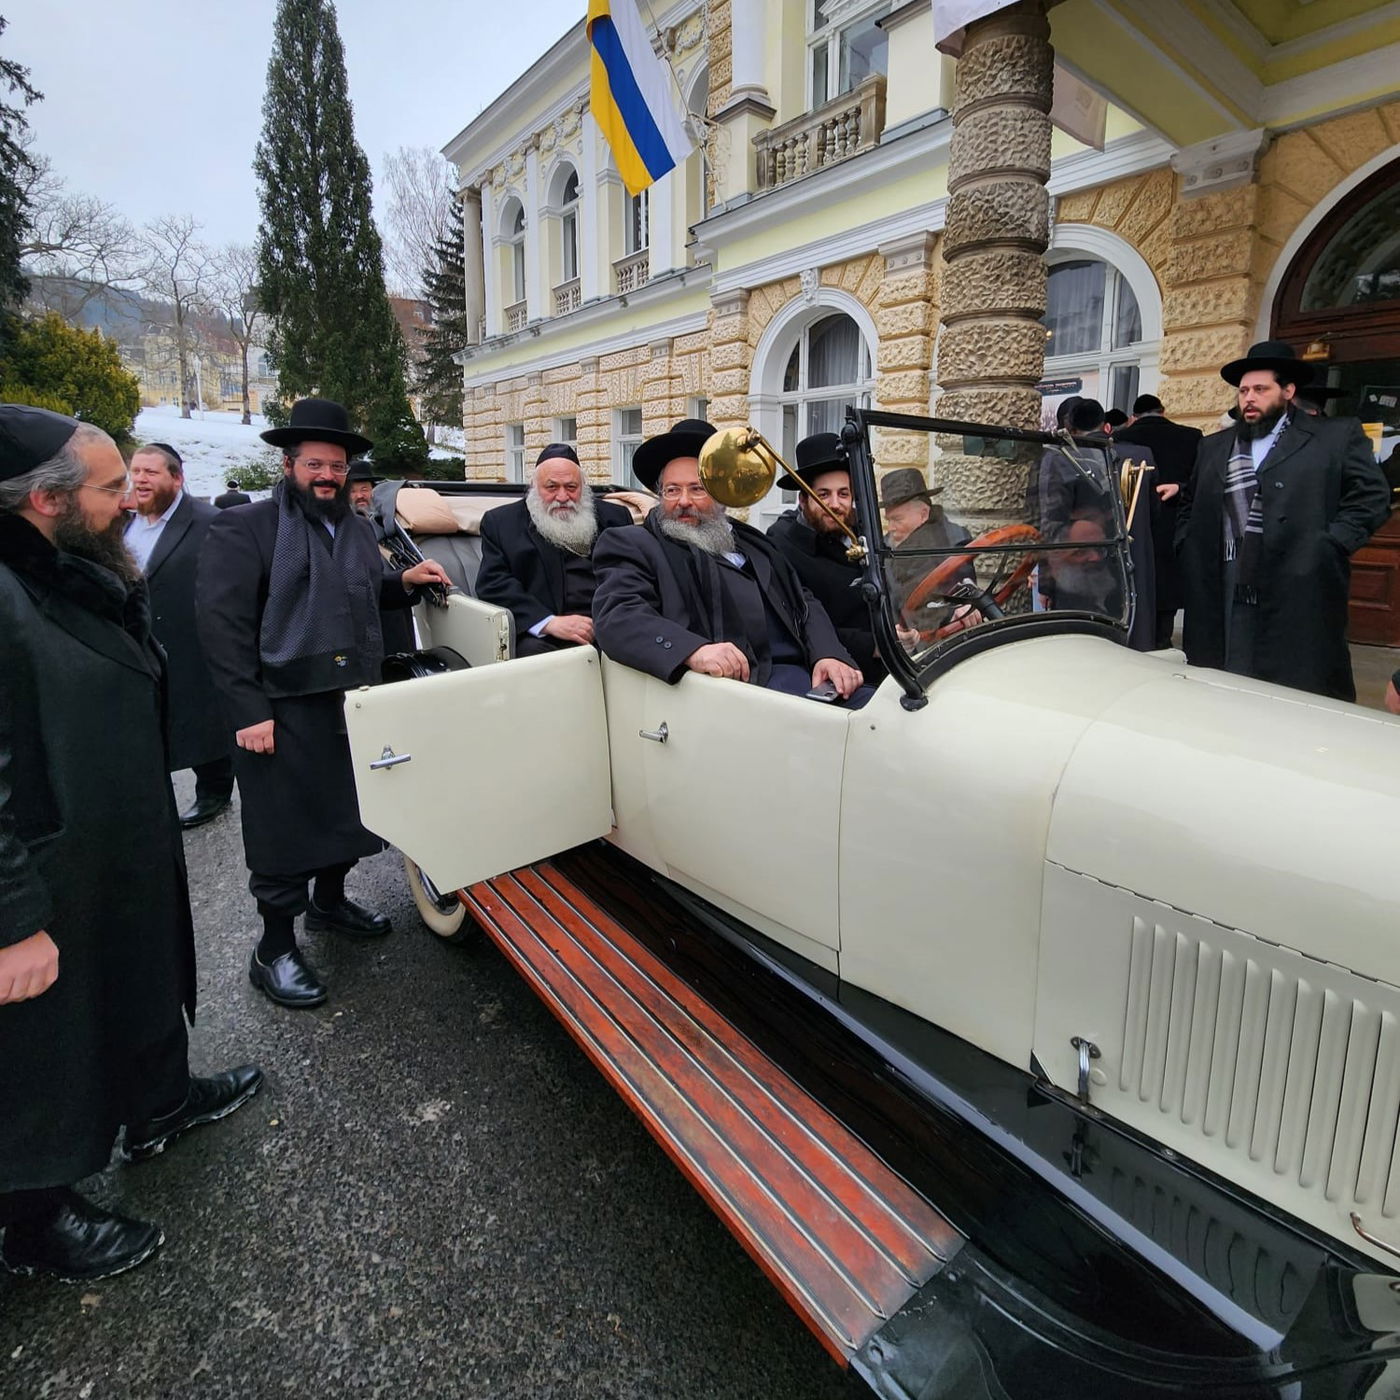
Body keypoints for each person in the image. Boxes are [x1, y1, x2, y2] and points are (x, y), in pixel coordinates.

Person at [0, 406, 261, 1283]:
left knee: (145, 974)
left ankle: (160, 1102)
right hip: (51, 869)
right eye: (112, 488)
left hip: (125, 840)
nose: (129, 503)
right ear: (46, 499)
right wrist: (11, 921)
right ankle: (37, 1218)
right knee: (47, 1049)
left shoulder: (74, 566)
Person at [196, 398, 451, 1009]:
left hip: (353, 700)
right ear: (289, 465)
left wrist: (403, 584)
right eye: (315, 464)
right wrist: (247, 711)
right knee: (285, 828)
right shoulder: (247, 528)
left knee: (350, 811)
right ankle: (274, 948)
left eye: (337, 466)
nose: (328, 476)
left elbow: (355, 596)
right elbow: (221, 626)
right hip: (282, 706)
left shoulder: (358, 529)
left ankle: (329, 903)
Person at [1175, 340, 1390, 700]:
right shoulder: (1214, 445)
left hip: (1298, 578)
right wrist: (1186, 543)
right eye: (1244, 391)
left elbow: (1372, 497)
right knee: (1223, 673)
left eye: (1260, 389)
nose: (1249, 398)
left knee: (1293, 682)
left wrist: (1330, 544)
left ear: (1288, 391)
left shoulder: (1333, 437)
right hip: (1220, 579)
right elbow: (1189, 501)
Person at [592, 418, 864, 702]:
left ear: (721, 493)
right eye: (672, 490)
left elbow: (803, 600)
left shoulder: (755, 542)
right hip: (731, 694)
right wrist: (692, 650)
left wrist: (828, 653)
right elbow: (618, 615)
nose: (683, 500)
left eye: (697, 489)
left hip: (806, 679)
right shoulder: (633, 543)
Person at [124, 442, 236, 828]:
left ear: (176, 478)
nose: (140, 480)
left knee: (200, 717)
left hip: (191, 637)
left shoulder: (209, 522)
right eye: (135, 471)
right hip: (133, 638)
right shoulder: (121, 520)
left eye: (150, 472)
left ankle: (215, 789)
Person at [475, 444, 632, 656]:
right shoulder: (502, 523)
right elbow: (493, 583)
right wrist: (548, 623)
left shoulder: (615, 517)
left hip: (610, 623)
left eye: (571, 487)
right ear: (535, 487)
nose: (562, 496)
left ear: (583, 487)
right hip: (547, 633)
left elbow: (632, 573)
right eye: (551, 487)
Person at [766, 432, 883, 681]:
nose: (835, 504)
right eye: (823, 494)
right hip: (833, 674)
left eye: (843, 494)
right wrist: (872, 644)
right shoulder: (781, 544)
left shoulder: (863, 534)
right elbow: (797, 620)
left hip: (889, 664)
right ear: (803, 499)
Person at [1113, 394, 1203, 649]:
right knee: (1166, 603)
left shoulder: (1119, 441)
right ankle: (1162, 642)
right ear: (1162, 411)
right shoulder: (1192, 437)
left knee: (1133, 594)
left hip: (1133, 530)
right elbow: (1200, 482)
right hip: (1172, 529)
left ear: (1134, 416)